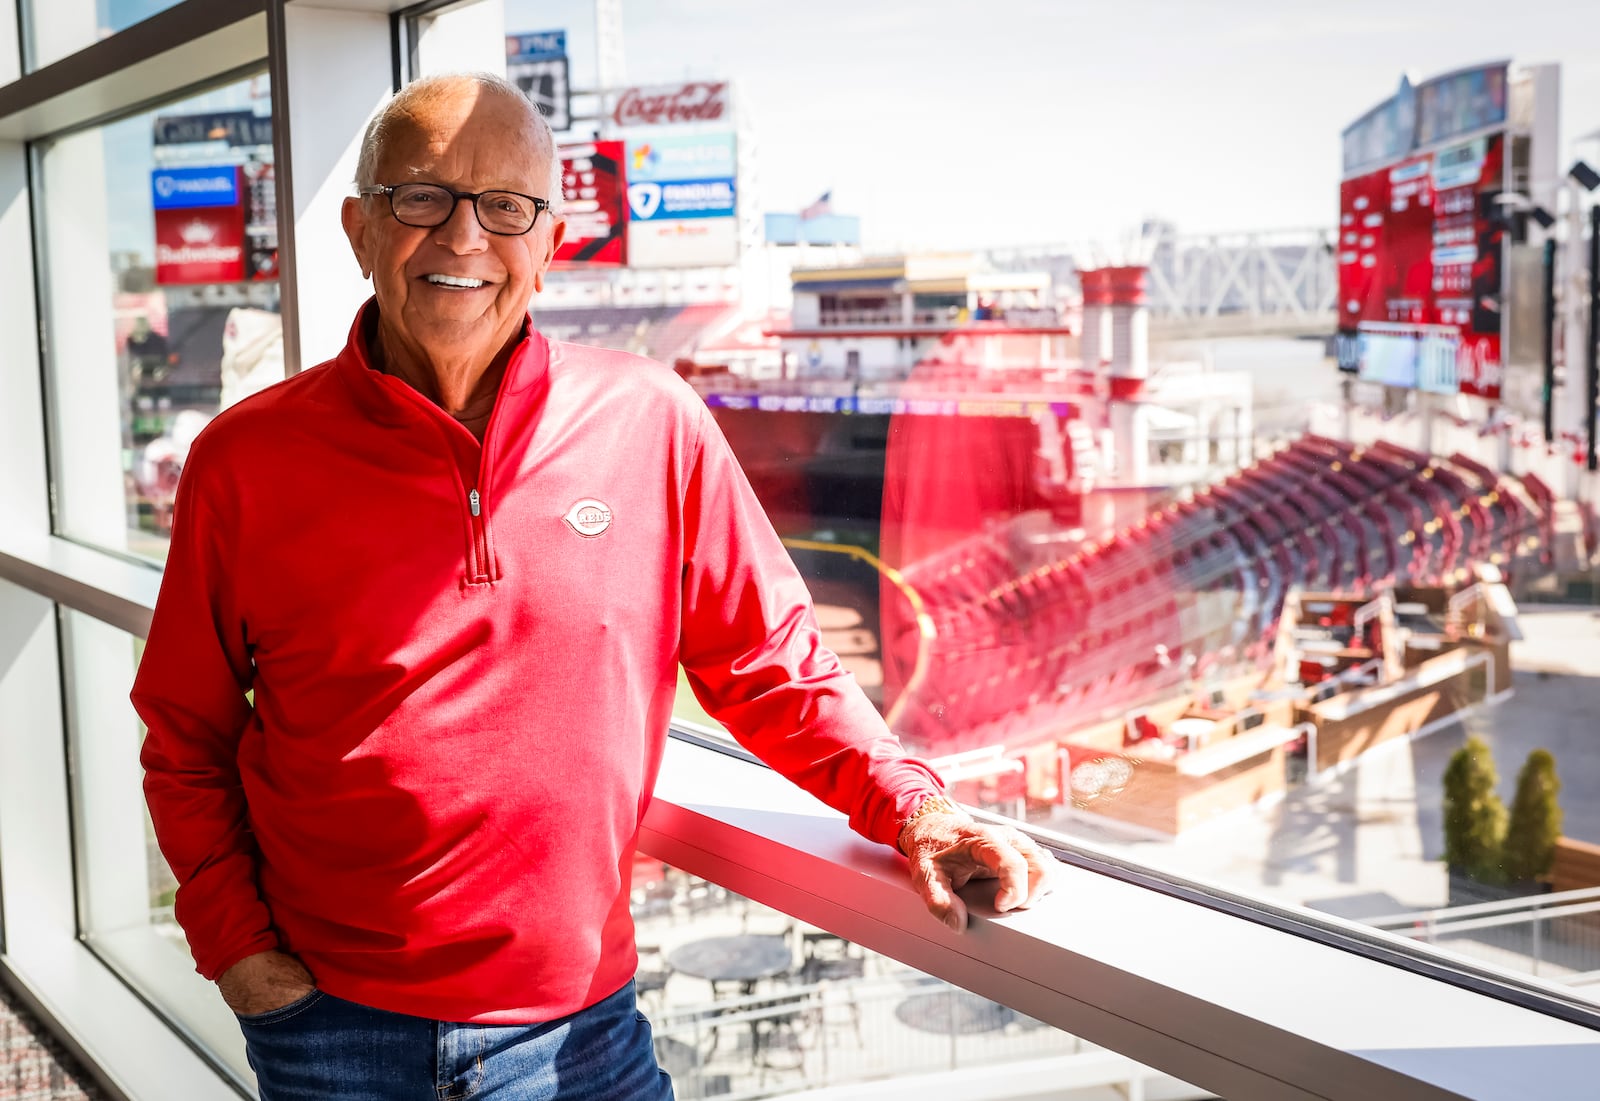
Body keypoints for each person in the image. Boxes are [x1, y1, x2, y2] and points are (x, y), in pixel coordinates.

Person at [134, 72, 1053, 1100]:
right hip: (332, 1030)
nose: (464, 239)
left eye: (505, 207)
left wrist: (912, 809)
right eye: (421, 198)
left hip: (582, 1033)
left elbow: (765, 662)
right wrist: (241, 960)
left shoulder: (651, 424)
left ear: (550, 241)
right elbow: (184, 739)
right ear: (359, 227)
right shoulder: (246, 460)